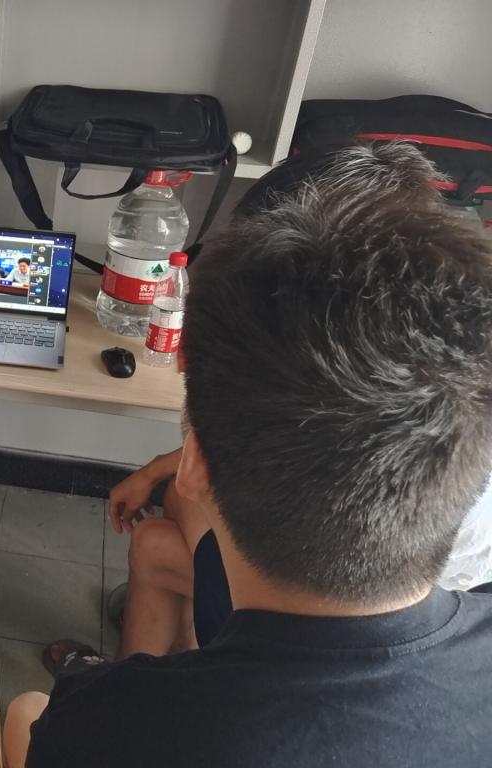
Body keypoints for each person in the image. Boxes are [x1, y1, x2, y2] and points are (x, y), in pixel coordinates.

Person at [5, 143, 492, 767]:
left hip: (158, 710)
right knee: (156, 544)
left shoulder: (96, 723)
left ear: (196, 460)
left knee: (24, 712)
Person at [99, 145, 492, 660]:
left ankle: (188, 663)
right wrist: (160, 467)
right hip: (431, 609)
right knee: (164, 524)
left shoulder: (284, 360)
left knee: (162, 530)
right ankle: (183, 651)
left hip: (333, 618)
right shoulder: (442, 368)